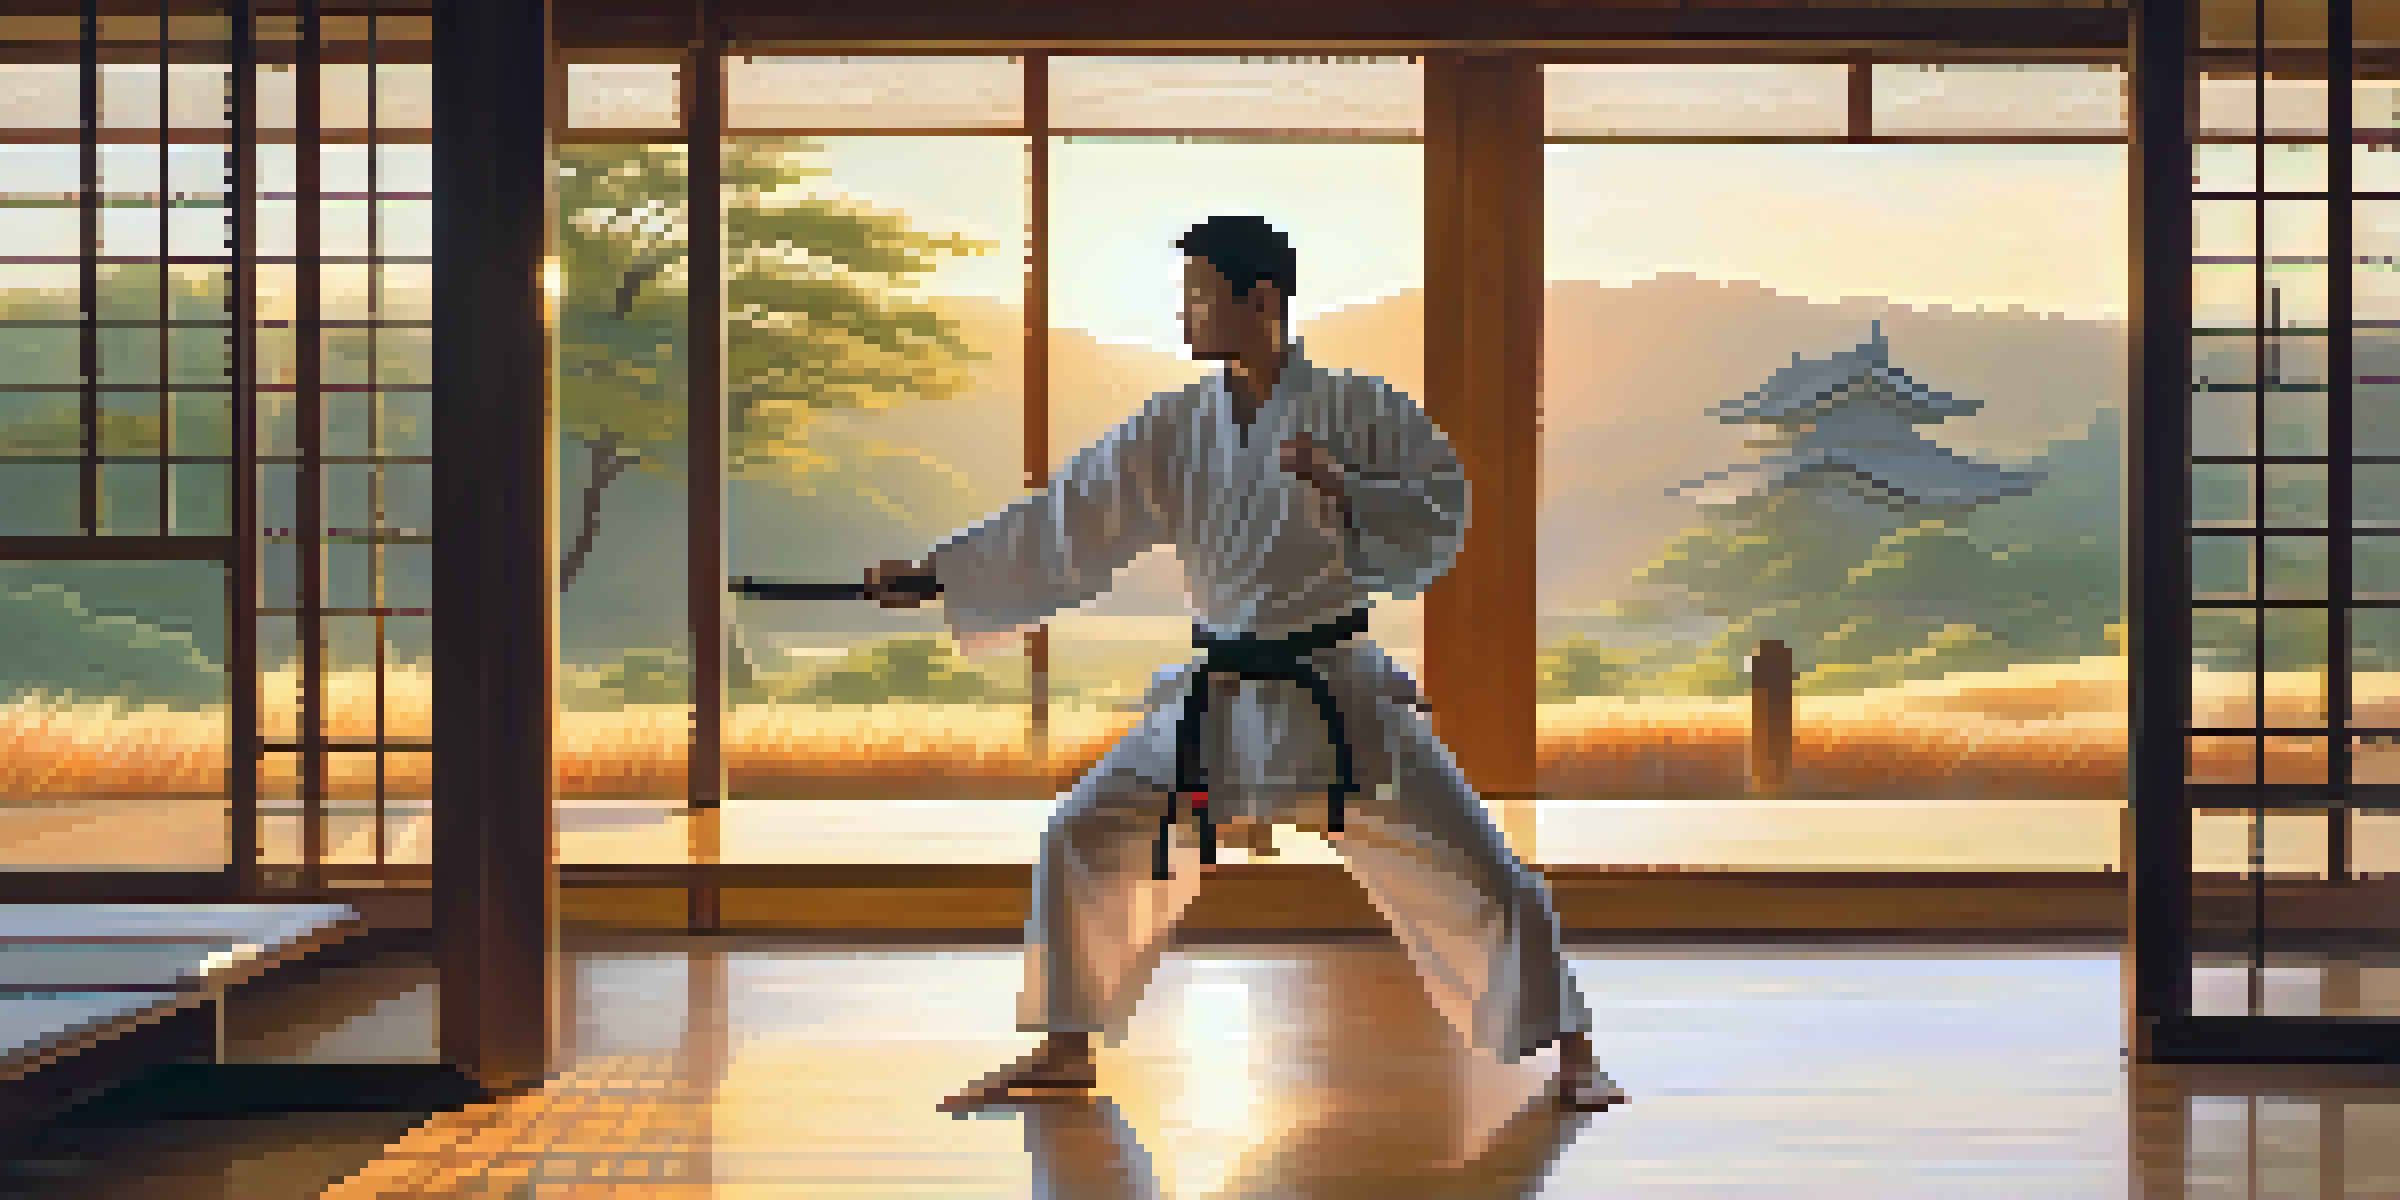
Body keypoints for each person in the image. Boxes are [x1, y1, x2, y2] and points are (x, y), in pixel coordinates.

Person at [864, 215, 1621, 1115]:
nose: (1183, 315)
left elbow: (1441, 507)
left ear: (1259, 299)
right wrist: (940, 573)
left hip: (1335, 692)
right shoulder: (1177, 422)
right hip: (1213, 704)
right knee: (1080, 835)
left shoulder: (1360, 407)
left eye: (1197, 295)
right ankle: (1066, 1046)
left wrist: (1347, 489)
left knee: (1480, 869)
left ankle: (1576, 1052)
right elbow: (1073, 518)